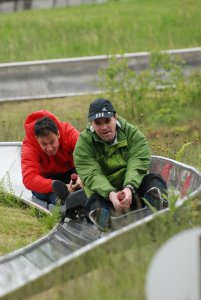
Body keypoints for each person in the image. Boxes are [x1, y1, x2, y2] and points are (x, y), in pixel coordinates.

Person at [73, 98, 168, 231]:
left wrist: (129, 188)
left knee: (153, 179)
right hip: (106, 196)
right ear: (91, 123)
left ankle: (158, 203)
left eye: (107, 121)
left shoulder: (132, 133)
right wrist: (111, 194)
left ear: (115, 117)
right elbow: (91, 173)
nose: (104, 127)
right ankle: (103, 221)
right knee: (93, 201)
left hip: (134, 190)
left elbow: (138, 161)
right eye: (98, 123)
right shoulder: (84, 142)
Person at [21, 110, 80, 207]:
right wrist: (59, 187)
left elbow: (89, 155)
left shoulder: (68, 132)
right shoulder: (29, 145)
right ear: (36, 138)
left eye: (52, 142)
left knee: (87, 184)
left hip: (71, 174)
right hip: (45, 181)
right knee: (57, 197)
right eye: (44, 144)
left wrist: (82, 178)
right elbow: (29, 178)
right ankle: (64, 204)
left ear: (58, 134)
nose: (49, 148)